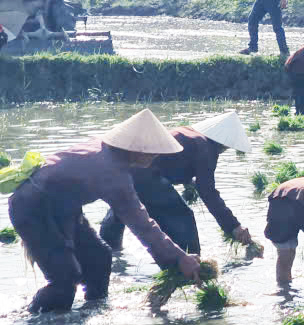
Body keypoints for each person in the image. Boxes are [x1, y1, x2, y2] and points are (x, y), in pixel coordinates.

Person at [7, 109, 202, 312]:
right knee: (64, 280)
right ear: (134, 147)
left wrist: (176, 257)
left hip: (63, 210)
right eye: (150, 151)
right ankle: (35, 323)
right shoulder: (112, 173)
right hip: (32, 210)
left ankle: (92, 316)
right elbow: (142, 226)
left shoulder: (107, 151)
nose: (153, 156)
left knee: (99, 257)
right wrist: (180, 257)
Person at [99, 111, 256, 256]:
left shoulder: (188, 133)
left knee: (122, 209)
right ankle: (191, 262)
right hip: (148, 176)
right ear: (225, 142)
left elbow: (171, 161)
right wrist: (233, 226)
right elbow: (208, 192)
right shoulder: (206, 148)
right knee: (182, 217)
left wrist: (189, 182)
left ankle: (107, 253)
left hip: (128, 169)